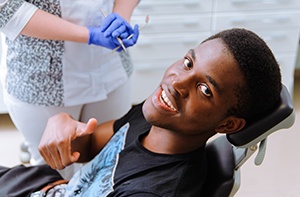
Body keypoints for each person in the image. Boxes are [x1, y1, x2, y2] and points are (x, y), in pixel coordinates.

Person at [0, 28, 282, 197]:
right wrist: (62, 123)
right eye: (187, 63)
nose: (176, 83)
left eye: (205, 90)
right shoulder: (154, 117)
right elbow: (89, 146)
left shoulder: (152, 191)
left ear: (228, 123)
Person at [0, 0, 140, 179]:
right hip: (42, 80)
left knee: (110, 162)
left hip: (110, 68)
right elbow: (7, 8)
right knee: (56, 173)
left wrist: (121, 15)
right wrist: (89, 35)